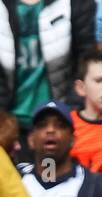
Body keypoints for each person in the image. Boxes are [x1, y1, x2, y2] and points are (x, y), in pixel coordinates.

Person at [0, 0, 97, 129]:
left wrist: (72, 107)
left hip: (64, 120)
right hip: (7, 124)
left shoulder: (78, 4)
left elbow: (87, 61)